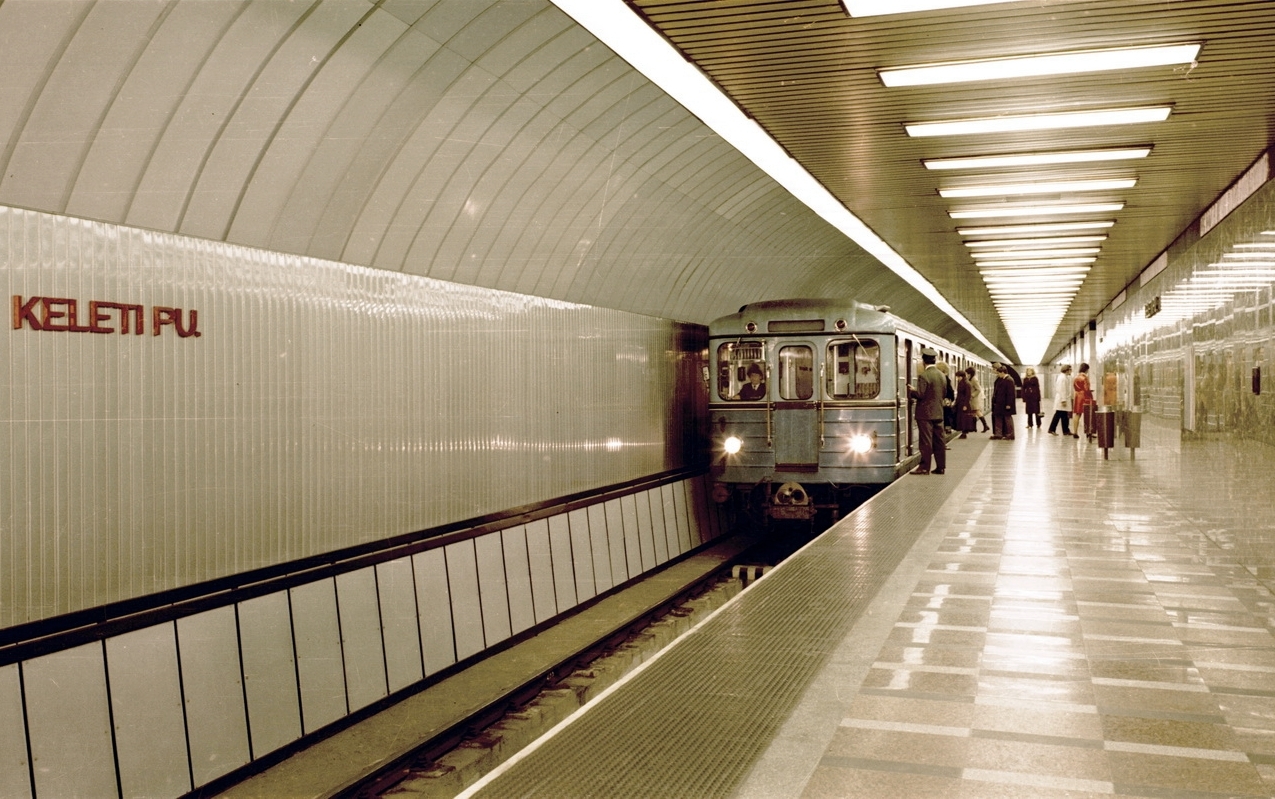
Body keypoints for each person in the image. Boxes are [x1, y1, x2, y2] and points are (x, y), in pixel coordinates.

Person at [908, 348, 947, 475]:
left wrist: (912, 391)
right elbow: (944, 393)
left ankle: (924, 468)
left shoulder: (924, 376)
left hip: (925, 414)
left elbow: (920, 394)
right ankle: (941, 467)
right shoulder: (942, 375)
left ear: (923, 361)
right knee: (939, 441)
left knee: (926, 441)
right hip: (938, 412)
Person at [990, 363, 1016, 439]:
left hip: (1005, 404)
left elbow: (1011, 394)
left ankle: (1010, 435)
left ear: (1002, 372)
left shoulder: (1009, 380)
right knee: (998, 418)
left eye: (998, 373)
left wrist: (1008, 404)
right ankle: (998, 434)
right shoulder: (1003, 379)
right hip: (1000, 403)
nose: (997, 375)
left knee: (1007, 419)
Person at [1047, 364, 1074, 436]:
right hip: (1062, 399)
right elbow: (1062, 390)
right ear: (1067, 370)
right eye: (1070, 369)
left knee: (1064, 415)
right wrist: (1063, 400)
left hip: (1063, 398)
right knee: (1058, 414)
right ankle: (1052, 429)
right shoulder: (1063, 378)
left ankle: (1066, 430)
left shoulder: (1064, 377)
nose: (1071, 371)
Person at [1073, 362, 1095, 440]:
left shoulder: (1076, 377)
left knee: (1077, 414)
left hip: (1077, 396)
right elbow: (1086, 389)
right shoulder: (1085, 377)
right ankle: (1089, 432)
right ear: (1086, 369)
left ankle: (1075, 432)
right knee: (1088, 414)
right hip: (1085, 397)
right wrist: (1090, 392)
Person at [965, 366, 989, 433]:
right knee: (973, 413)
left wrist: (972, 395)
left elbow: (978, 389)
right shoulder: (971, 379)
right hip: (973, 398)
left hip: (975, 398)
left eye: (967, 373)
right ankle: (974, 428)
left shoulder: (974, 380)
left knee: (977, 411)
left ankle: (985, 426)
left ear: (970, 373)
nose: (966, 374)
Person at [955, 368, 976, 439]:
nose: (957, 378)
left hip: (964, 403)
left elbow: (968, 395)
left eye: (958, 377)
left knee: (964, 418)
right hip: (960, 402)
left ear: (961, 376)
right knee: (961, 418)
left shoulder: (966, 384)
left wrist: (965, 405)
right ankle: (963, 432)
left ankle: (964, 433)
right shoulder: (962, 383)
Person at [935, 361, 955, 432]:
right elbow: (950, 390)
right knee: (946, 414)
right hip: (945, 400)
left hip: (939, 400)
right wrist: (951, 399)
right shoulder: (946, 378)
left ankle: (943, 428)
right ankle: (947, 428)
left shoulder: (937, 377)